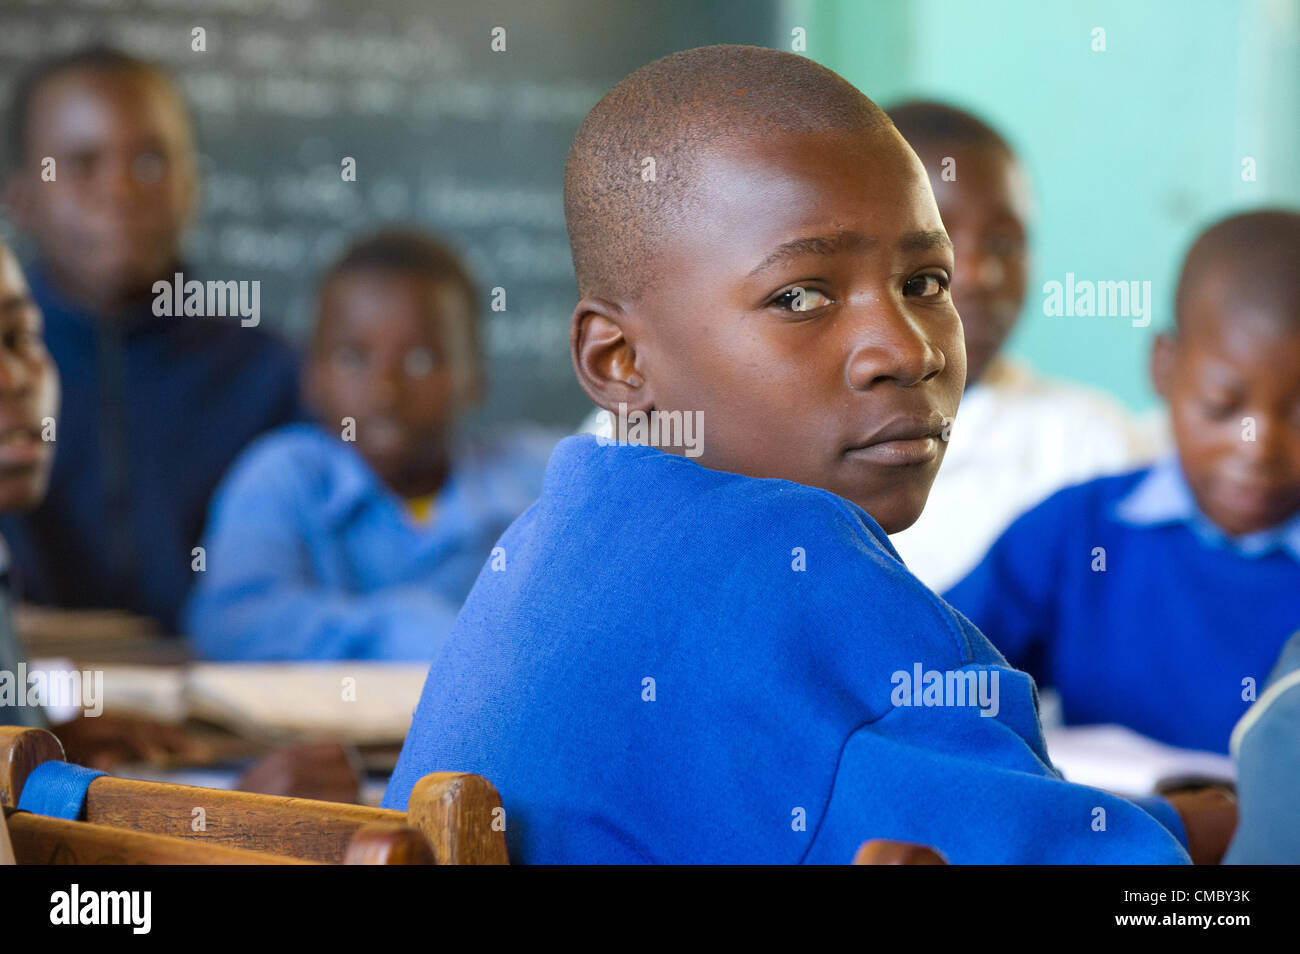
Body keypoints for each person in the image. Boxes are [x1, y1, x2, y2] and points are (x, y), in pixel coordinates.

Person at [383, 46, 1229, 864]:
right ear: (619, 362)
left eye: (925, 285)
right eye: (801, 296)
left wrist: (1166, 826)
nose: (905, 350)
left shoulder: (544, 548)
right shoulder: (799, 568)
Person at [946, 209, 1300, 755]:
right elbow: (935, 674)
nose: (1258, 449)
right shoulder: (1077, 533)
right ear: (1165, 367)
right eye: (1221, 406)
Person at [0, 45, 301, 633]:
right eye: (82, 164)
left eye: (151, 162)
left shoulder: (274, 377)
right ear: (20, 198)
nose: (120, 191)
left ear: (192, 185)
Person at [184, 230, 555, 660]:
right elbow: (232, 622)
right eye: (353, 358)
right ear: (311, 378)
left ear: (474, 376)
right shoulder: (282, 477)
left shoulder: (538, 482)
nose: (385, 391)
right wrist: (404, 630)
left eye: (421, 360)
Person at [884, 101, 1157, 592]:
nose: (980, 274)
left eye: (1005, 244)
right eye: (937, 241)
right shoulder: (788, 442)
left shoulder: (1087, 443)